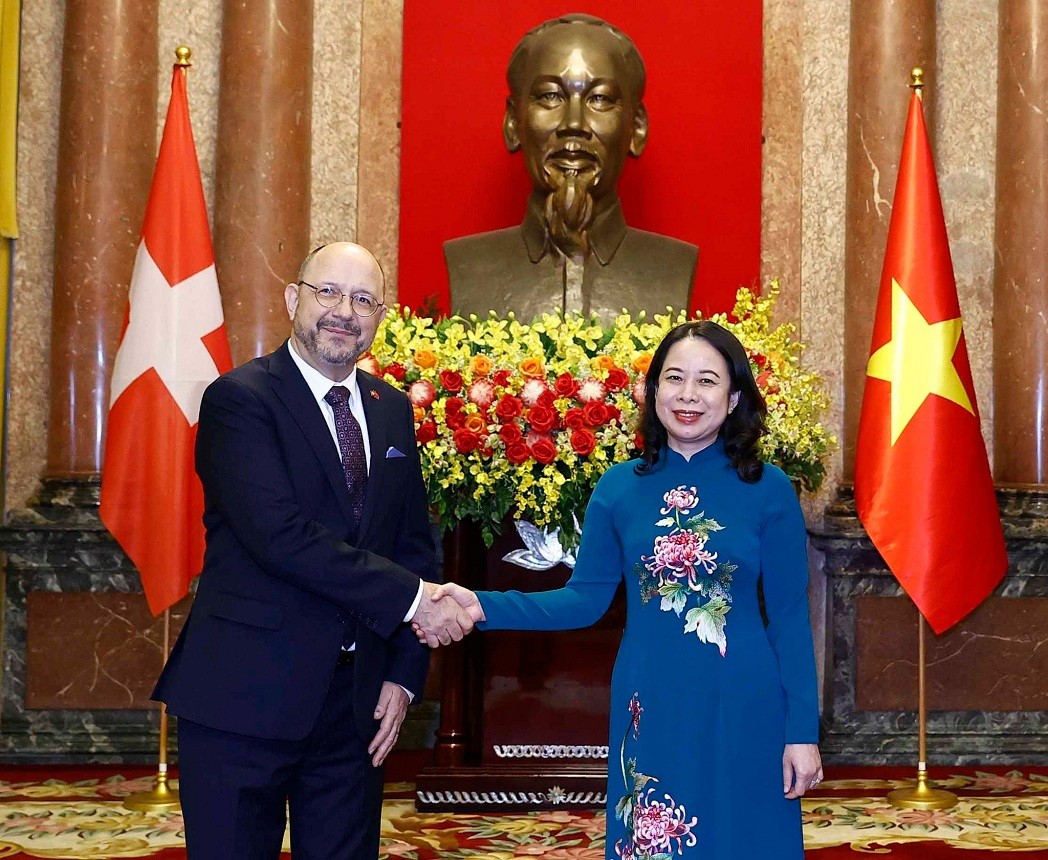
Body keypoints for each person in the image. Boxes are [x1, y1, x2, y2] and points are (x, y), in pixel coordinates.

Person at [423, 320, 822, 859]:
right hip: (649, 698)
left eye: (707, 381)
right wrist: (480, 603)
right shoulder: (618, 488)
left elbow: (792, 619)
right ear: (653, 391)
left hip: (744, 702)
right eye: (674, 378)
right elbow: (582, 600)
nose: (687, 395)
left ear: (733, 399)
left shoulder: (768, 489)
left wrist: (802, 731)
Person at [154, 242, 480, 859]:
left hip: (354, 713)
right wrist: (418, 603)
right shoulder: (239, 401)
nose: (343, 311)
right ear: (291, 299)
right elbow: (283, 539)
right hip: (243, 700)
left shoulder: (390, 412)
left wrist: (403, 676)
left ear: (380, 318)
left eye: (363, 300)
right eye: (327, 292)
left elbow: (413, 544)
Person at [444, 14, 698, 323]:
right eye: (551, 96)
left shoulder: (674, 268)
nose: (574, 124)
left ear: (637, 128)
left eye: (600, 99)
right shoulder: (468, 266)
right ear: (513, 123)